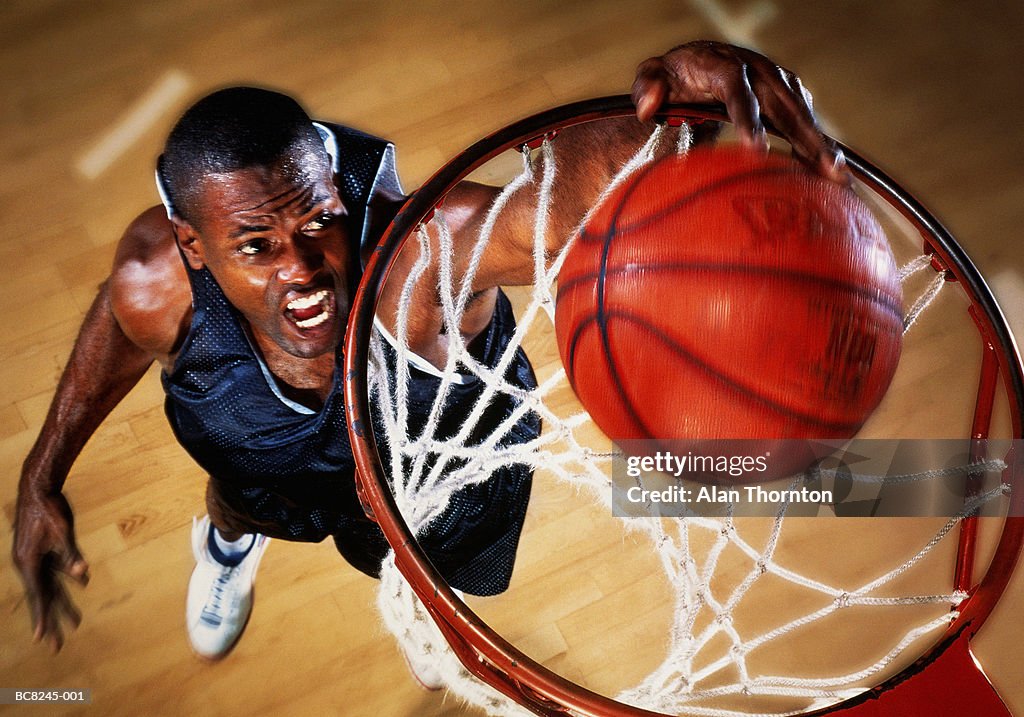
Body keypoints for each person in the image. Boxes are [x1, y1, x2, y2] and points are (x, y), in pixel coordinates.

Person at [12, 40, 845, 670]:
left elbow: (547, 208)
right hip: (269, 458)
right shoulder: (154, 282)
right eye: (256, 245)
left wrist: (664, 125)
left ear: (337, 192)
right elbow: (119, 331)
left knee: (423, 577)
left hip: (440, 462)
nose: (301, 269)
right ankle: (229, 548)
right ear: (194, 247)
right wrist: (40, 475)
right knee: (241, 495)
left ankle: (417, 606)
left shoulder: (418, 264)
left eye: (315, 223)